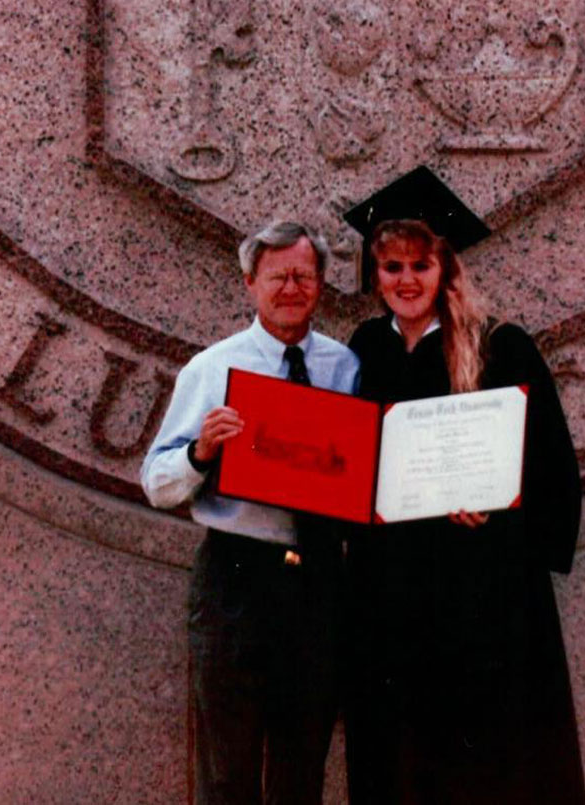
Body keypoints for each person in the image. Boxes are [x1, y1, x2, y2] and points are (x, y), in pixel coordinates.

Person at [341, 171, 585, 805]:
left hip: (481, 585)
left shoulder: (499, 346)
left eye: (419, 264)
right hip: (393, 586)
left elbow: (550, 466)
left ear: (444, 267)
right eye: (391, 266)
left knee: (485, 757)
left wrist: (497, 516)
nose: (405, 279)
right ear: (375, 274)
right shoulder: (365, 349)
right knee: (400, 753)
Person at [141, 221, 360, 805]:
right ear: (249, 284)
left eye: (303, 276)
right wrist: (201, 451)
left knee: (303, 761)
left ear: (319, 285)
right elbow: (156, 483)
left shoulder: (346, 368)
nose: (291, 288)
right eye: (277, 277)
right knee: (226, 768)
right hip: (236, 578)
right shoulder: (212, 370)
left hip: (317, 580)